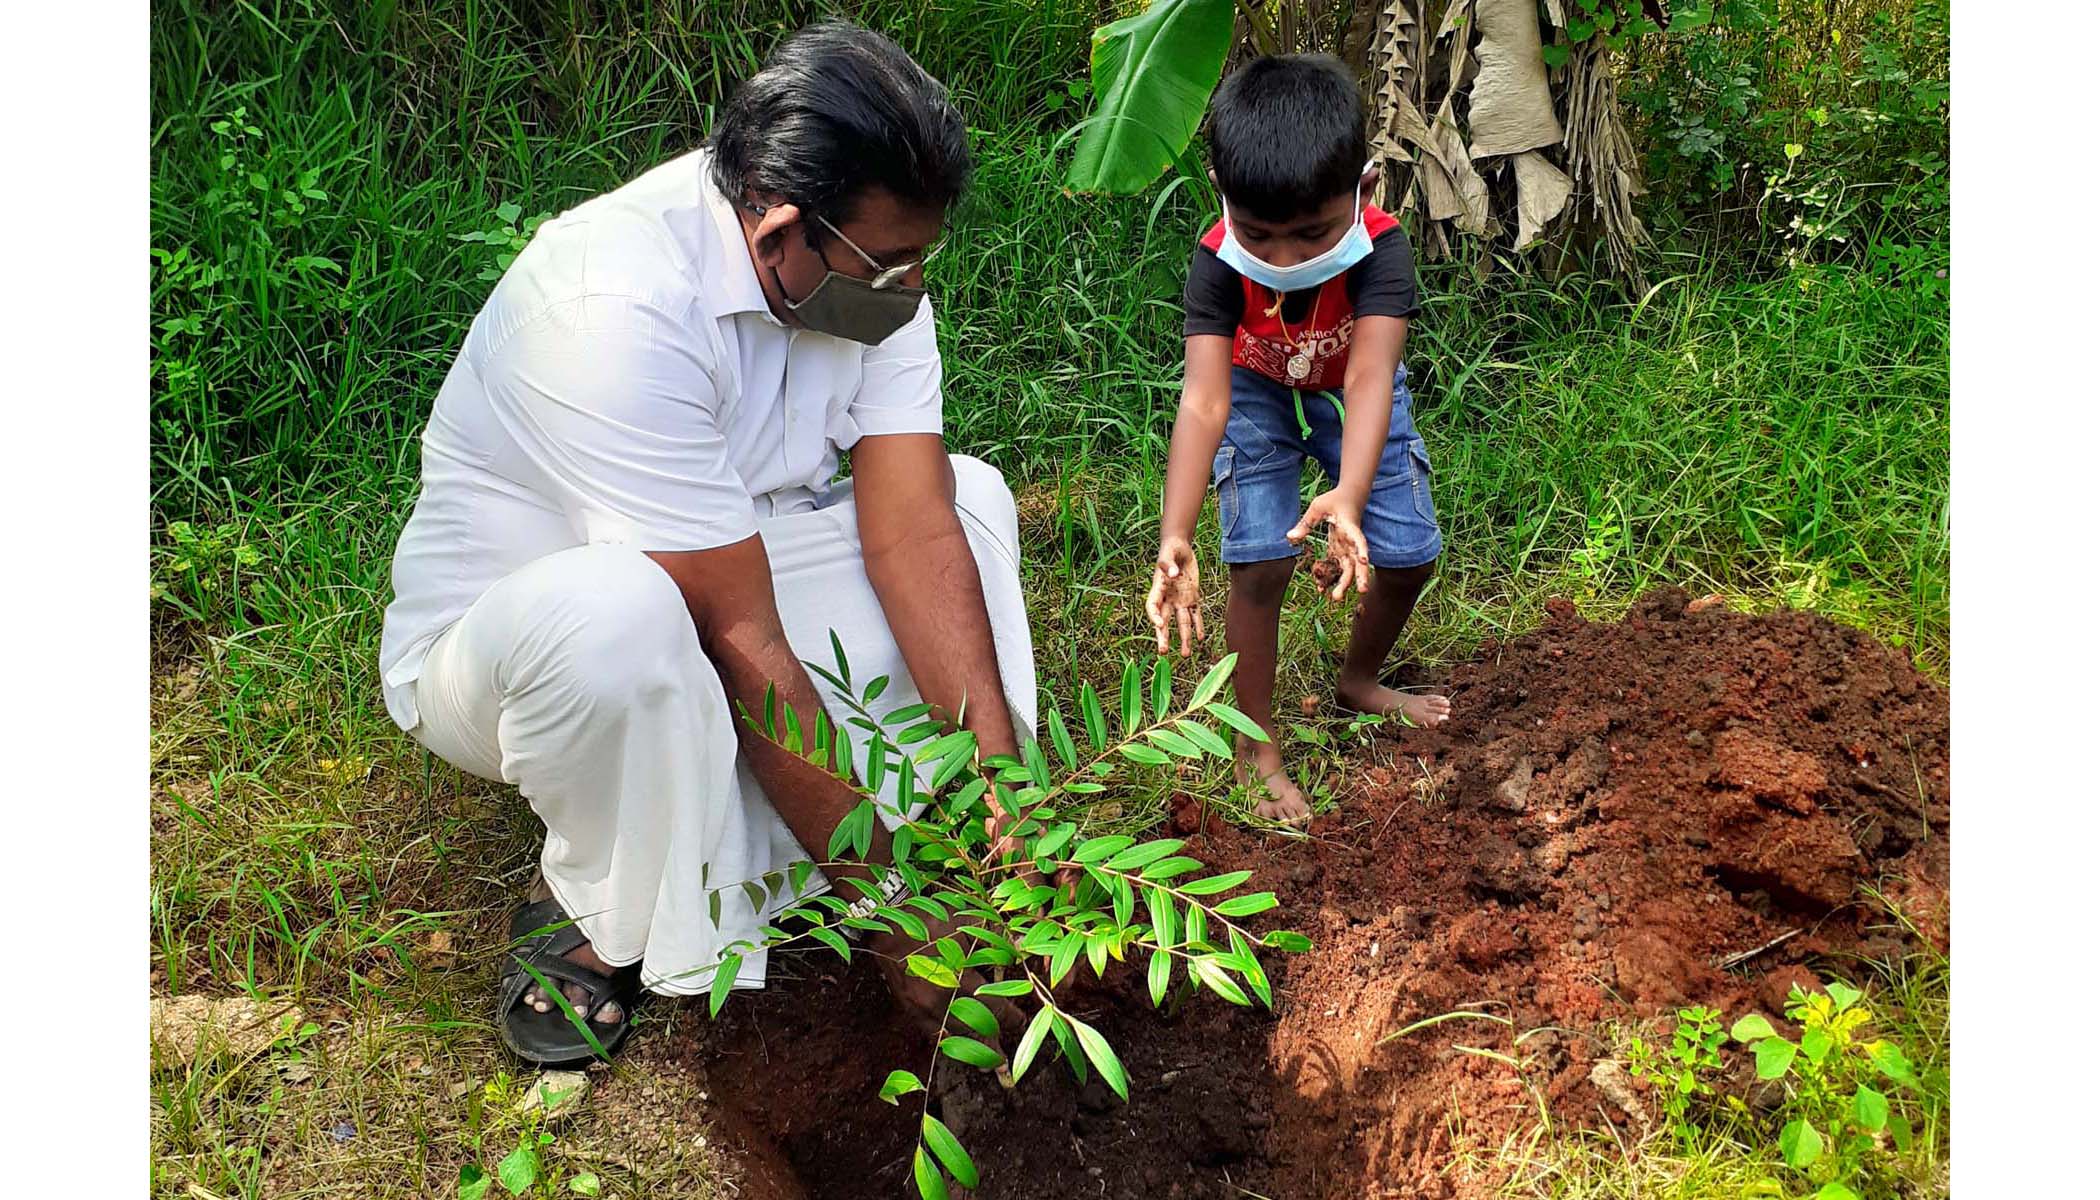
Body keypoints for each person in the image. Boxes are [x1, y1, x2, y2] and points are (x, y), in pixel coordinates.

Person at [378, 20, 1034, 1065]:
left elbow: (909, 531)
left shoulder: (866, 283)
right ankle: (598, 901)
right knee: (622, 621)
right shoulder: (613, 303)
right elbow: (739, 637)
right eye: (889, 260)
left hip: (727, 575)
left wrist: (1007, 785)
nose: (911, 289)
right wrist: (898, 918)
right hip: (522, 648)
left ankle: (859, 827)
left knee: (976, 501)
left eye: (924, 257)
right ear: (778, 227)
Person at [1145, 53, 1451, 825]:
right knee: (1258, 558)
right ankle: (1256, 748)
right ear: (1224, 201)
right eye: (1260, 235)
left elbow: (1370, 379)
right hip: (1255, 392)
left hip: (1351, 390)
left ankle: (1359, 681)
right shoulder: (1218, 263)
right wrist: (1174, 532)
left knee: (1410, 552)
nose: (1284, 260)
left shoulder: (1381, 251)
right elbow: (1206, 400)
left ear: (1365, 190)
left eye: (1312, 235)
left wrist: (1349, 495)